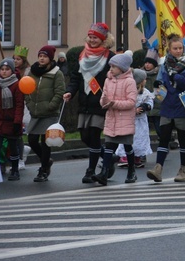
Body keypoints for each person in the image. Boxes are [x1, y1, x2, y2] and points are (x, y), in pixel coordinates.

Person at [63, 23, 115, 184]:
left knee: (93, 135)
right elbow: (76, 78)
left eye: (96, 38)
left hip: (100, 102)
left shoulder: (110, 57)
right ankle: (107, 156)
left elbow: (114, 79)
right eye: (90, 37)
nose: (92, 40)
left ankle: (91, 170)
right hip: (84, 101)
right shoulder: (82, 55)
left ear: (103, 40)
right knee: (84, 135)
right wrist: (70, 91)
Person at [146, 34, 185, 183]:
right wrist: (158, 86)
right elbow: (161, 82)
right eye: (175, 48)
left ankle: (183, 170)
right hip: (168, 105)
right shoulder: (164, 65)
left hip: (182, 105)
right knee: (164, 137)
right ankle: (158, 168)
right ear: (169, 49)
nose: (178, 51)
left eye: (180, 48)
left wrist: (177, 77)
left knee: (182, 139)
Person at [94, 53, 138, 185]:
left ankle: (131, 171)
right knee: (109, 146)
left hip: (124, 119)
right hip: (112, 119)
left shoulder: (130, 82)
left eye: (114, 66)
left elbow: (131, 102)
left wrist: (114, 103)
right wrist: (104, 102)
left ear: (122, 68)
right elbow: (104, 97)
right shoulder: (108, 80)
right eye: (110, 66)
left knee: (127, 146)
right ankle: (104, 173)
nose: (111, 69)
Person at [26, 46, 65, 182]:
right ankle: (47, 161)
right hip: (36, 112)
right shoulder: (32, 72)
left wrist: (51, 106)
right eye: (40, 56)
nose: (42, 58)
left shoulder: (56, 73)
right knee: (31, 140)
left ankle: (43, 170)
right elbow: (26, 90)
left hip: (49, 113)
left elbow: (59, 91)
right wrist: (30, 104)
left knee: (46, 142)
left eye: (45, 56)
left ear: (50, 58)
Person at [116, 67, 154, 169]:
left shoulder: (145, 92)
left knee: (140, 138)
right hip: (129, 120)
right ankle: (124, 156)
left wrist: (146, 106)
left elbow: (150, 101)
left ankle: (137, 156)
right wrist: (133, 110)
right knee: (128, 138)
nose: (146, 81)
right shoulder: (128, 92)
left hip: (141, 121)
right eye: (144, 79)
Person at [0, 58, 24, 180]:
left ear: (12, 71)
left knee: (13, 148)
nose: (4, 72)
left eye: (7, 69)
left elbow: (19, 104)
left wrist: (17, 121)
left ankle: (15, 170)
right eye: (2, 69)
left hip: (11, 122)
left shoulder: (16, 85)